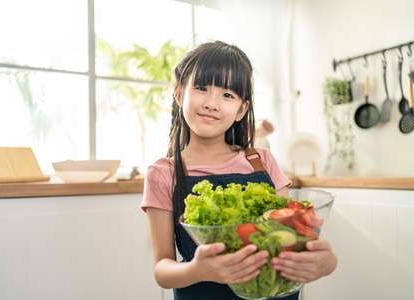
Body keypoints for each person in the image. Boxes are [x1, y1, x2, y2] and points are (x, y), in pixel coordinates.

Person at [141, 41, 337, 300]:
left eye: (227, 95)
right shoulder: (164, 172)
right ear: (179, 94)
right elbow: (162, 269)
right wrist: (199, 270)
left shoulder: (262, 160)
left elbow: (293, 236)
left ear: (241, 110)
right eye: (201, 88)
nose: (212, 103)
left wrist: (326, 263)